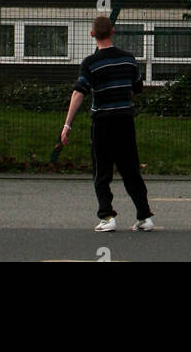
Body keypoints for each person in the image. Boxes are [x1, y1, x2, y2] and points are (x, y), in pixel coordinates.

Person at [61, 15, 154, 232]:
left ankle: (107, 216)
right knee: (131, 171)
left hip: (102, 123)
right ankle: (144, 216)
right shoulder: (129, 59)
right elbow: (137, 87)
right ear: (112, 32)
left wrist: (67, 125)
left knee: (102, 171)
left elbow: (79, 93)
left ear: (92, 34)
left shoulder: (90, 63)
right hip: (125, 122)